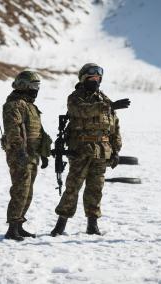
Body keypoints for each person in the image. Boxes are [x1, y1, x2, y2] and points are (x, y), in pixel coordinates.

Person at [51, 63, 130, 236]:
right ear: (83, 79)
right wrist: (108, 106)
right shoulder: (75, 97)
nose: (95, 81)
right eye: (91, 78)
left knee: (96, 189)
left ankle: (92, 224)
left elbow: (114, 127)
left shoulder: (105, 100)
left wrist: (116, 150)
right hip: (81, 149)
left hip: (102, 151)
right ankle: (61, 224)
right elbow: (81, 111)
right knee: (73, 187)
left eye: (97, 78)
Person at [2, 70, 52, 241]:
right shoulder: (14, 105)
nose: (36, 89)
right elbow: (13, 130)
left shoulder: (30, 106)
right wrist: (19, 151)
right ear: (23, 86)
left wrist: (44, 152)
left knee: (28, 191)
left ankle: (20, 225)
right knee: (20, 190)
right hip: (20, 154)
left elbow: (38, 131)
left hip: (32, 154)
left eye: (38, 86)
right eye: (33, 86)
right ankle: (12, 228)